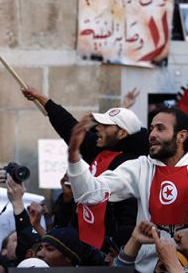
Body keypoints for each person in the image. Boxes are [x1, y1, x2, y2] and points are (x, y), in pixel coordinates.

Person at [68, 106, 188, 273]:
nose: (152, 135)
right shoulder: (141, 167)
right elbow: (90, 194)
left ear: (181, 136)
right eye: (151, 129)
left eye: (160, 128)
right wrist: (74, 158)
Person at [22, 86, 148, 247]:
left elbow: (126, 218)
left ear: (122, 134)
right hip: (85, 240)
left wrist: (117, 250)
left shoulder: (132, 166)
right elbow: (69, 126)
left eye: (105, 125)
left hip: (109, 248)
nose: (97, 128)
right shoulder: (100, 150)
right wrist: (40, 97)